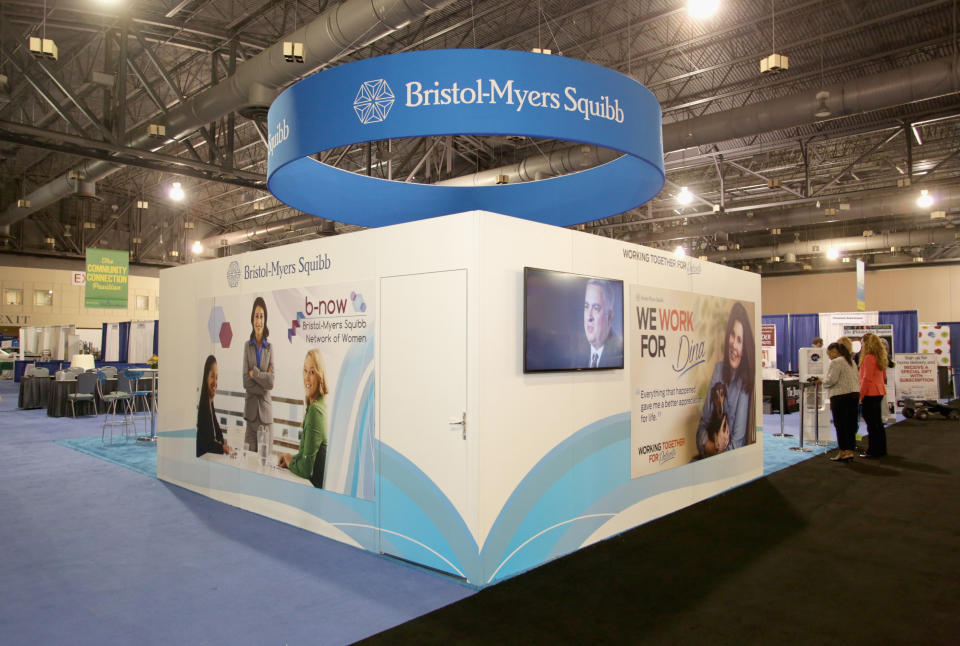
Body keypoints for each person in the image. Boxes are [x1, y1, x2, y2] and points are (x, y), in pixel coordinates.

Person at [696, 302, 755, 457]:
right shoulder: (718, 370)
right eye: (732, 335)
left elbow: (736, 446)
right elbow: (702, 427)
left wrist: (715, 450)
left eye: (740, 340)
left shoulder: (744, 384)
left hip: (728, 465)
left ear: (745, 347)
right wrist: (714, 447)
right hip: (709, 457)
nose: (734, 344)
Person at [278, 349, 329, 489]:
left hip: (313, 495)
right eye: (305, 371)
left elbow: (306, 469)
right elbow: (307, 456)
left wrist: (290, 461)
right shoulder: (319, 406)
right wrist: (291, 458)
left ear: (320, 376)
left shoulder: (315, 411)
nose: (307, 377)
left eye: (312, 372)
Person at [243, 297, 274, 453]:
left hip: (266, 417)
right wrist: (262, 387)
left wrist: (254, 373)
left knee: (264, 464)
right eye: (256, 316)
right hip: (250, 416)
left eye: (261, 316)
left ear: (265, 319)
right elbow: (245, 381)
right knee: (248, 461)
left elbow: (271, 382)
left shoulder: (270, 348)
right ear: (252, 318)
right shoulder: (247, 347)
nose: (259, 320)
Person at [822, 342, 859, 462]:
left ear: (835, 352)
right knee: (850, 425)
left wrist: (821, 381)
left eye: (829, 354)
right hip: (854, 395)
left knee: (841, 425)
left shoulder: (836, 362)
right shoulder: (851, 361)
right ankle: (850, 451)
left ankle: (843, 451)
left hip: (840, 396)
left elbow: (831, 380)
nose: (829, 357)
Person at [858, 332, 888, 458]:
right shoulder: (880, 356)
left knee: (872, 424)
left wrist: (861, 395)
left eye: (862, 343)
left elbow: (866, 379)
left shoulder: (869, 358)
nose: (861, 346)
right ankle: (881, 449)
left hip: (870, 393)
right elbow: (884, 376)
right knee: (877, 423)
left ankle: (873, 450)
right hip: (879, 391)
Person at [582, 278, 622, 368]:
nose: (589, 317)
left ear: (609, 316)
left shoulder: (619, 354)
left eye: (596, 308)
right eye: (586, 307)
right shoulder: (577, 355)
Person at [196, 355, 232, 457]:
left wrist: (222, 444)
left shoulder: (210, 403)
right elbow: (205, 444)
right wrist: (221, 447)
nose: (215, 382)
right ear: (206, 377)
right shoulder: (202, 407)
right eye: (212, 376)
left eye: (217, 377)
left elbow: (219, 434)